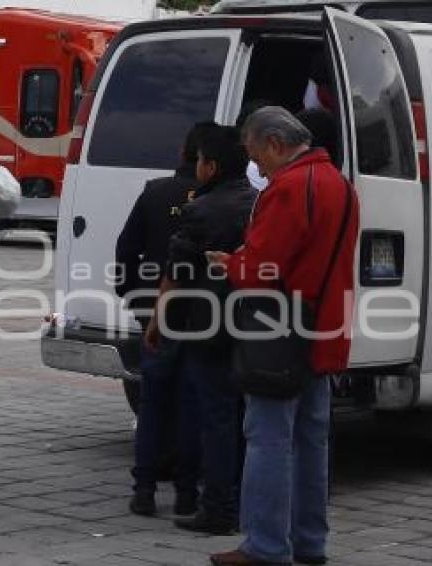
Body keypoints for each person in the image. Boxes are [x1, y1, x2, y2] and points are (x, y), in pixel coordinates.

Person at [208, 107, 359, 565]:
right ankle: (310, 541)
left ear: (274, 142)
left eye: (255, 153)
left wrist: (227, 263)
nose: (255, 165)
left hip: (281, 331)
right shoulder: (340, 184)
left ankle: (266, 544)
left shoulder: (291, 187)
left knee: (268, 437)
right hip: (326, 326)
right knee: (313, 440)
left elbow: (260, 272)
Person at [145, 125, 257, 536]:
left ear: (209, 166)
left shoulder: (201, 209)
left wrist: (157, 321)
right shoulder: (259, 203)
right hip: (252, 325)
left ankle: (218, 507)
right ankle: (246, 501)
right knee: (247, 416)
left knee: (216, 419)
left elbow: (175, 274)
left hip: (208, 328)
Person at [116, 122, 216, 518]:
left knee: (153, 401)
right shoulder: (224, 199)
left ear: (183, 154)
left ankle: (144, 488)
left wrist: (128, 291)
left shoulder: (156, 191)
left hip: (155, 311)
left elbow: (127, 248)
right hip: (201, 314)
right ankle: (187, 493)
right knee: (191, 401)